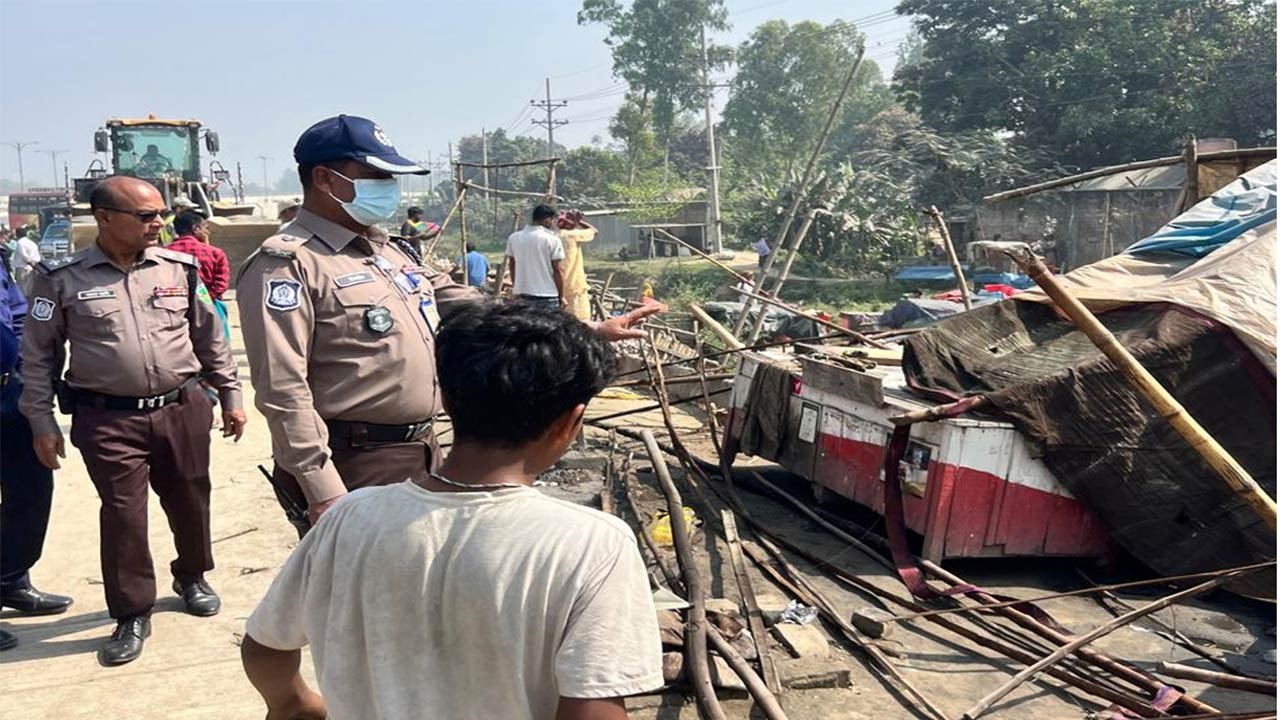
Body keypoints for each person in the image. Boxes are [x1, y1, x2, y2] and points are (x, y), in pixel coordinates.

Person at [237, 115, 659, 536]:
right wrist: (322, 488)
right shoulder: (288, 266)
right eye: (375, 175)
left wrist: (585, 329)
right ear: (325, 180)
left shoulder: (392, 253)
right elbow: (282, 388)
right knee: (365, 595)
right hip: (354, 460)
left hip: (424, 449)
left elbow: (477, 308)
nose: (388, 186)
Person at [241, 302, 663, 720]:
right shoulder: (594, 545)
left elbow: (265, 647)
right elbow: (592, 710)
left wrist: (293, 703)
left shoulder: (349, 517)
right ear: (569, 422)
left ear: (445, 396)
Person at [20, 176, 247, 665]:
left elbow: (210, 338)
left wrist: (230, 393)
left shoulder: (180, 269)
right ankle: (131, 611)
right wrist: (40, 420)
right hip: (107, 418)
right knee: (123, 514)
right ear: (104, 218)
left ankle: (192, 575)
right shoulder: (61, 278)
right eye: (145, 216)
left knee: (190, 496)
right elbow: (37, 357)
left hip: (182, 407)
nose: (158, 224)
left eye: (160, 214)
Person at [0, 249, 73, 652]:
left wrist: (24, 368)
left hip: (7, 391)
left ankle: (9, 578)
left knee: (30, 491)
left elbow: (16, 312)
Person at [167, 211, 232, 340]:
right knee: (217, 345)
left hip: (174, 309)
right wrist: (205, 301)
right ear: (196, 229)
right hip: (209, 308)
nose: (208, 232)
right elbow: (221, 284)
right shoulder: (215, 253)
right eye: (206, 228)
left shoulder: (163, 252)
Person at [505, 204, 566, 309]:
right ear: (548, 219)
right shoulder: (552, 239)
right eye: (552, 220)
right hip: (547, 295)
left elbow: (512, 265)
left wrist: (517, 287)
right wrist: (562, 296)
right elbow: (557, 270)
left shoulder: (514, 238)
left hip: (523, 295)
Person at [555, 209, 597, 321]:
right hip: (574, 287)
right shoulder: (573, 235)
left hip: (555, 287)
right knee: (579, 321)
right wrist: (579, 222)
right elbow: (594, 231)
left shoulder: (553, 236)